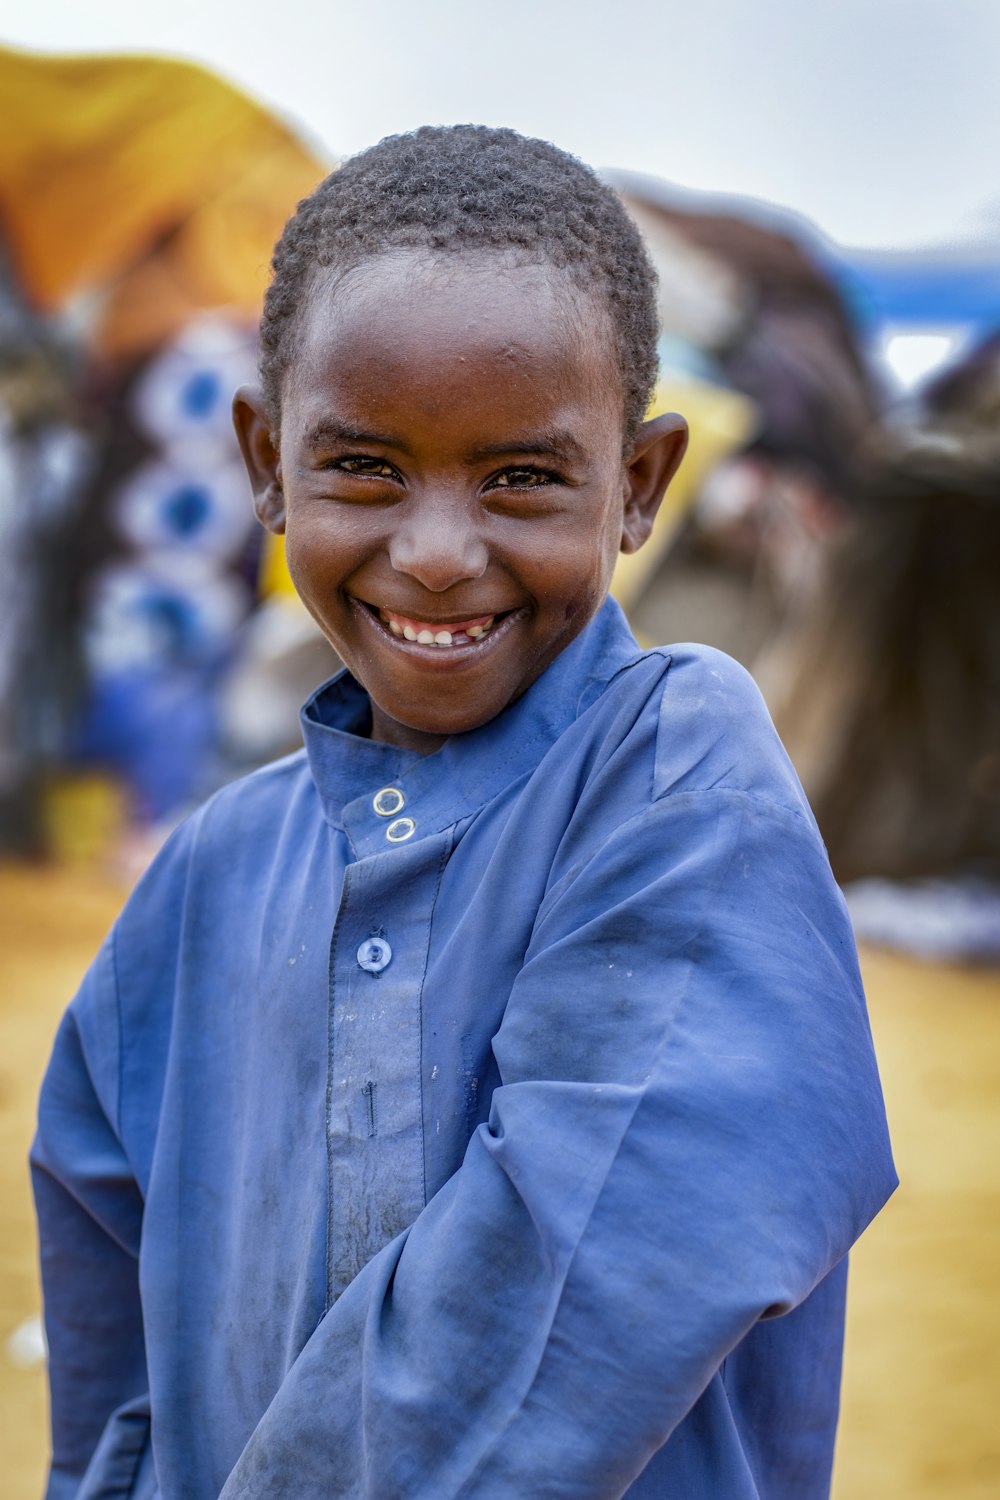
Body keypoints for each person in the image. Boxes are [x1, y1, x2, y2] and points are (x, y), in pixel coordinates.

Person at [31, 126, 895, 1500]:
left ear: (642, 486)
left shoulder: (676, 774)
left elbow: (575, 1293)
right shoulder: (203, 881)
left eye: (523, 478)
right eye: (364, 468)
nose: (435, 556)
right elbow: (114, 1379)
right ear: (265, 463)